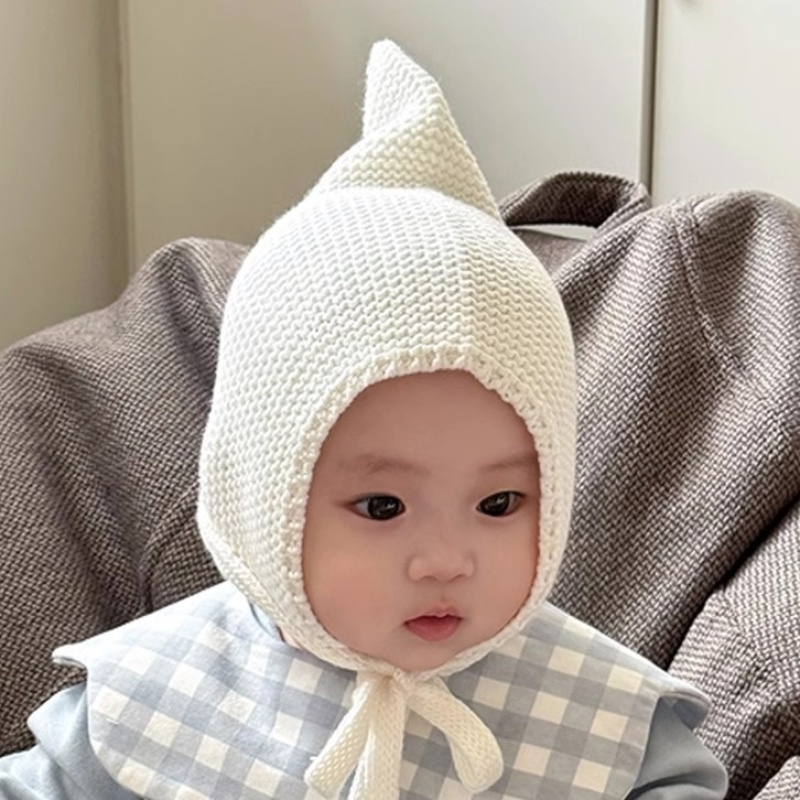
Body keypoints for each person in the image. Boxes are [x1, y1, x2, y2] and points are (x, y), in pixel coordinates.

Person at [0, 41, 727, 800]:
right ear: (261, 502)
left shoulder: (596, 710)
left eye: (498, 503)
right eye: (382, 506)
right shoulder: (156, 695)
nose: (446, 560)